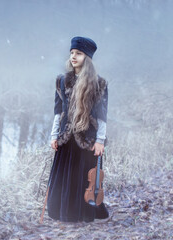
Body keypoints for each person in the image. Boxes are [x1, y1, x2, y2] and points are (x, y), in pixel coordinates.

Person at [47, 36, 109, 222]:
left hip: (87, 138)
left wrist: (100, 140)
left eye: (79, 54)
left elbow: (102, 115)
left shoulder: (99, 83)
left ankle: (85, 213)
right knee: (65, 177)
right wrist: (54, 135)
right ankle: (63, 212)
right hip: (66, 138)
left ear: (87, 58)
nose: (73, 56)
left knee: (84, 179)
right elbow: (58, 111)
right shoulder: (62, 80)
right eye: (72, 52)